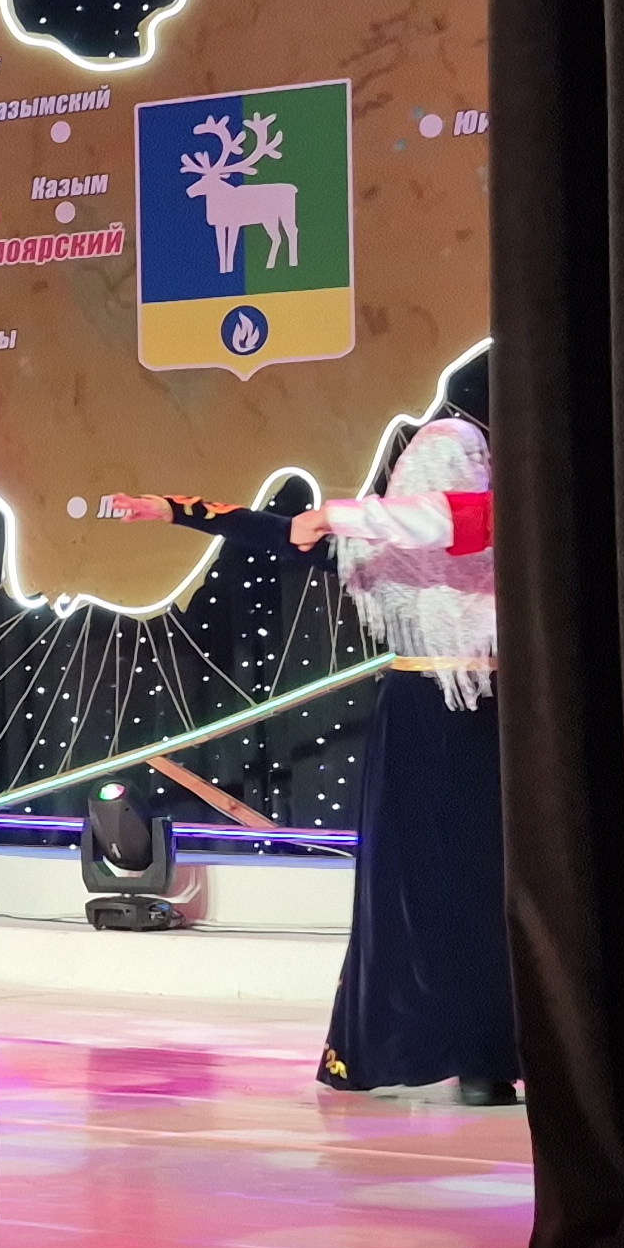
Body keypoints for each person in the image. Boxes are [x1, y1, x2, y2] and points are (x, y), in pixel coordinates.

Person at [103, 411, 514, 1103]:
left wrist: (337, 514)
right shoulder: (374, 544)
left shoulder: (491, 527)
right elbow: (272, 530)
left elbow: (446, 519)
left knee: (476, 885)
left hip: (480, 721)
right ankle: (453, 1055)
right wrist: (174, 510)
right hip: (435, 718)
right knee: (423, 888)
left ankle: (485, 1058)